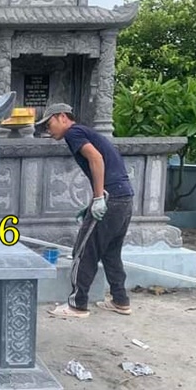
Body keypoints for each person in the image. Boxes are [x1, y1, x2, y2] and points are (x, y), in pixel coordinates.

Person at [36, 103, 134, 318]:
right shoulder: (86, 132)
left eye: (49, 124)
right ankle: (120, 300)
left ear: (62, 117)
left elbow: (96, 158)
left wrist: (99, 198)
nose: (48, 130)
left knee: (83, 251)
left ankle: (77, 305)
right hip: (124, 197)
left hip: (110, 198)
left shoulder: (74, 132)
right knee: (111, 252)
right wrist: (94, 201)